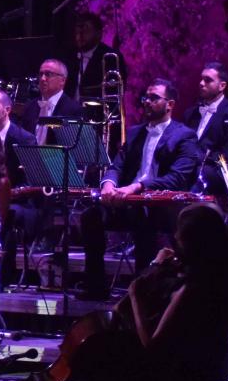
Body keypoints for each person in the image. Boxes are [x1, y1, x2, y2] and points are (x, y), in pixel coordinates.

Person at [5, 204, 228, 381]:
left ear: (194, 245)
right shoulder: (221, 278)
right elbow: (124, 312)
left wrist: (138, 297)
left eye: (179, 239)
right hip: (194, 373)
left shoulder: (193, 290)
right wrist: (156, 271)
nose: (176, 245)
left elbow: (153, 348)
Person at [79, 79, 201, 300]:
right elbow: (117, 165)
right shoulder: (135, 133)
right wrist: (109, 184)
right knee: (91, 216)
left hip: (161, 206)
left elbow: (178, 178)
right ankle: (96, 287)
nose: (147, 101)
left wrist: (137, 187)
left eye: (154, 98)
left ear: (170, 104)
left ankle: (142, 292)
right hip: (128, 200)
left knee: (145, 219)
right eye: (146, 97)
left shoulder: (184, 135)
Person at [181, 61, 228, 187]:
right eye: (201, 79)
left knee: (197, 173)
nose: (201, 83)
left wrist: (200, 158)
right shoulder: (190, 113)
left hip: (214, 170)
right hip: (187, 167)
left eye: (207, 80)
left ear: (222, 86)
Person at [17, 59, 86, 140]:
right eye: (41, 74)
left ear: (62, 80)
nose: (42, 79)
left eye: (48, 74)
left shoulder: (74, 110)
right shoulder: (29, 107)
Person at [66, 12, 116, 99]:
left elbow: (113, 91)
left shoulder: (110, 57)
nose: (80, 35)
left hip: (97, 110)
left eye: (86, 31)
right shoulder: (70, 56)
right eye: (77, 32)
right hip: (71, 111)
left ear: (98, 33)